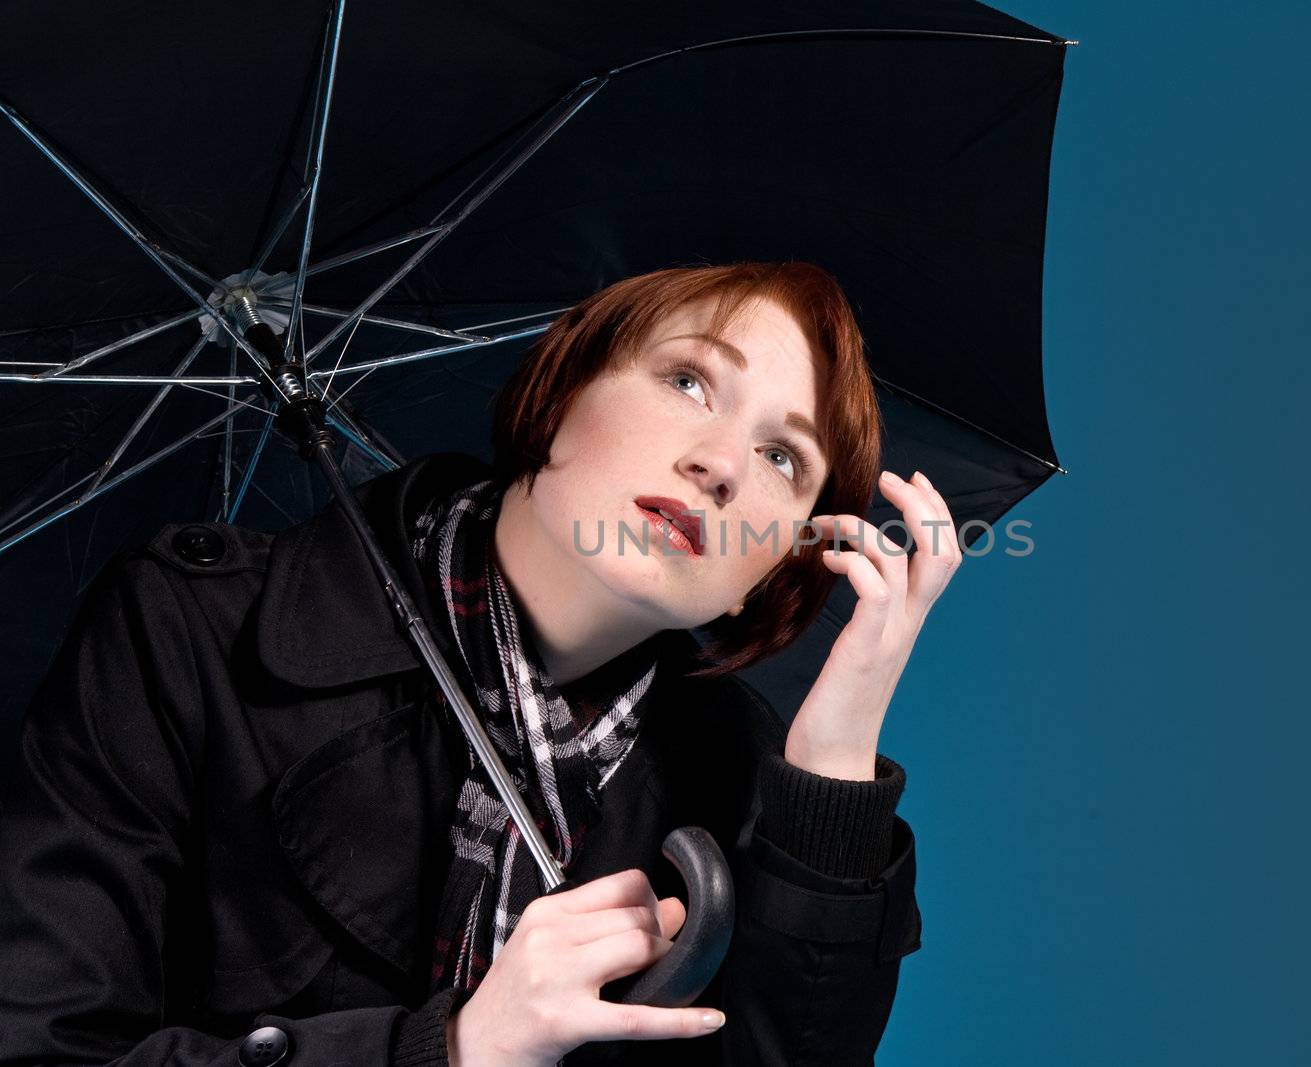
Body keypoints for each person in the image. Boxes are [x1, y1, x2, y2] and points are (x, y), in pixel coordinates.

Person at [0, 261, 964, 1065]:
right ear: (559, 395)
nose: (722, 465)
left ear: (774, 568)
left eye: (784, 460)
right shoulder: (188, 631)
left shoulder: (737, 775)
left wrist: (836, 762)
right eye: (687, 381)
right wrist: (452, 1049)